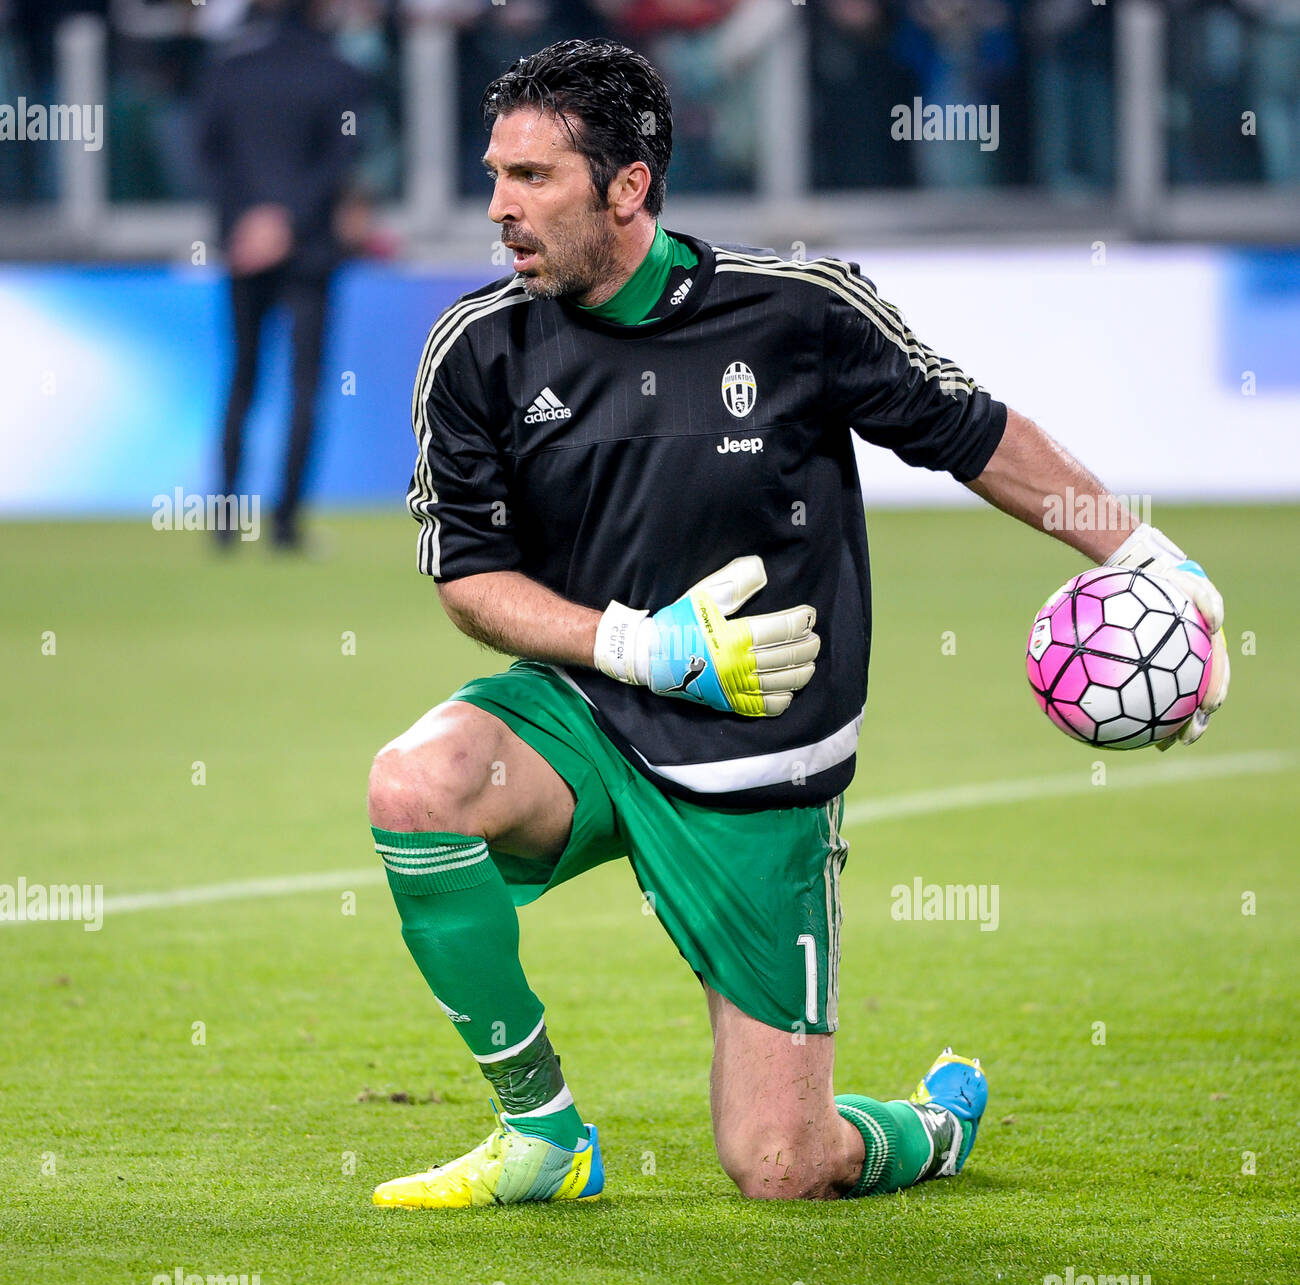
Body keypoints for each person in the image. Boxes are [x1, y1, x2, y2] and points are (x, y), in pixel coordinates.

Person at [365, 38, 1230, 1207]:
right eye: (495, 176)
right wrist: (638, 644)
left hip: (757, 755)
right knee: (414, 784)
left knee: (781, 1165)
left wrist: (1144, 554)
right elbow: (468, 577)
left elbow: (971, 433)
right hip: (585, 710)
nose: (499, 210)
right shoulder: (476, 348)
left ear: (628, 186)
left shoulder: (795, 315)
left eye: (533, 179)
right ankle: (543, 1132)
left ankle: (926, 1127)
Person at [197, 0, 368, 549]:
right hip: (310, 250)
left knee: (242, 378)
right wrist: (288, 219)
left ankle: (225, 523)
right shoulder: (339, 72)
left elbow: (207, 156)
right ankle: (286, 525)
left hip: (244, 248)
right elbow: (342, 158)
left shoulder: (229, 69)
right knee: (305, 385)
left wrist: (251, 220)